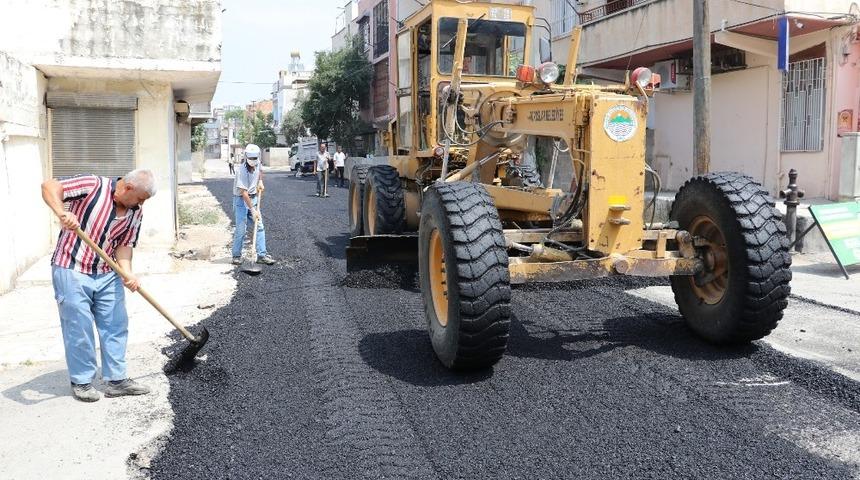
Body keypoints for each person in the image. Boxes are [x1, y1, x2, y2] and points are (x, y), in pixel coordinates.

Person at [41, 169, 157, 402]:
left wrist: (127, 272)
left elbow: (124, 244)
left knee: (115, 324)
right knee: (79, 326)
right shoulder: (93, 185)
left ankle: (117, 380)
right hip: (72, 267)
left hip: (106, 271)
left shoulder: (135, 212)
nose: (142, 203)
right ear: (128, 188)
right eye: (141, 198)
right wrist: (61, 212)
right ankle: (82, 381)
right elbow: (49, 186)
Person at [232, 144, 276, 266]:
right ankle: (236, 255)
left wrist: (260, 181)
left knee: (259, 226)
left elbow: (259, 170)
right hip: (241, 200)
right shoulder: (241, 171)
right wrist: (252, 209)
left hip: (254, 197)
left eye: (255, 158)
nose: (253, 161)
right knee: (241, 229)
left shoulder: (257, 162)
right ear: (246, 156)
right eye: (250, 158)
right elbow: (243, 193)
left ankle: (262, 255)